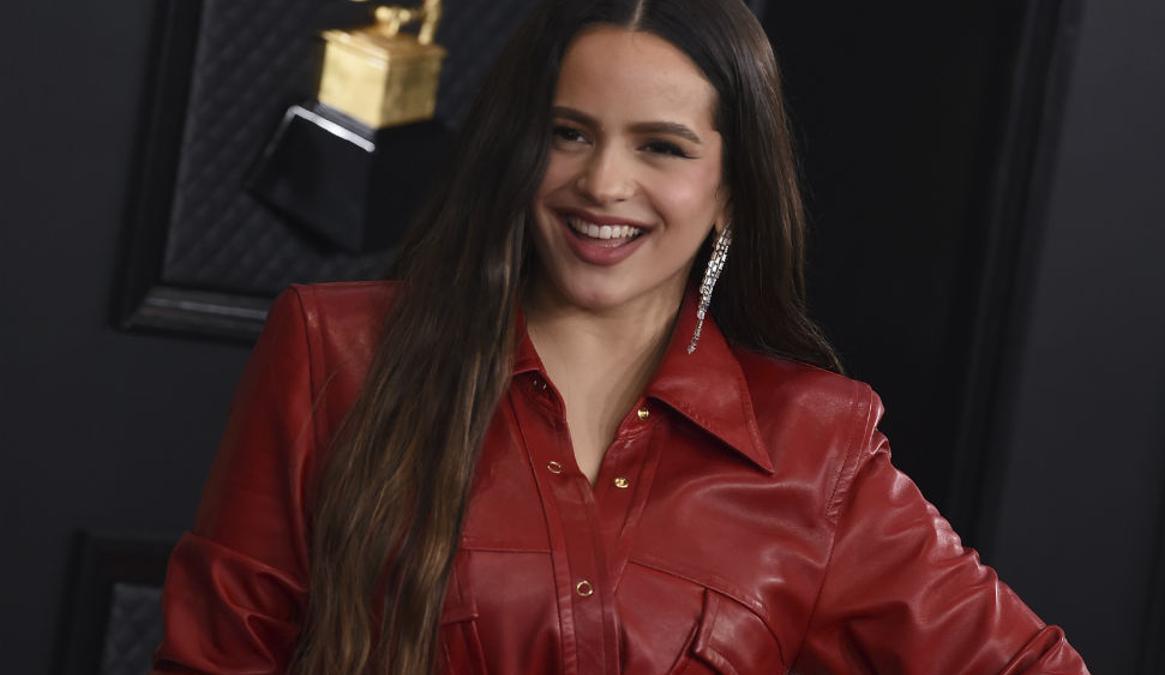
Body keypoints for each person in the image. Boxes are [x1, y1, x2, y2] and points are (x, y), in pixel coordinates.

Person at [152, 0, 1089, 673]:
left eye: (662, 146)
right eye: (568, 134)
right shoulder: (335, 351)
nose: (603, 184)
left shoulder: (817, 445)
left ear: (730, 189)